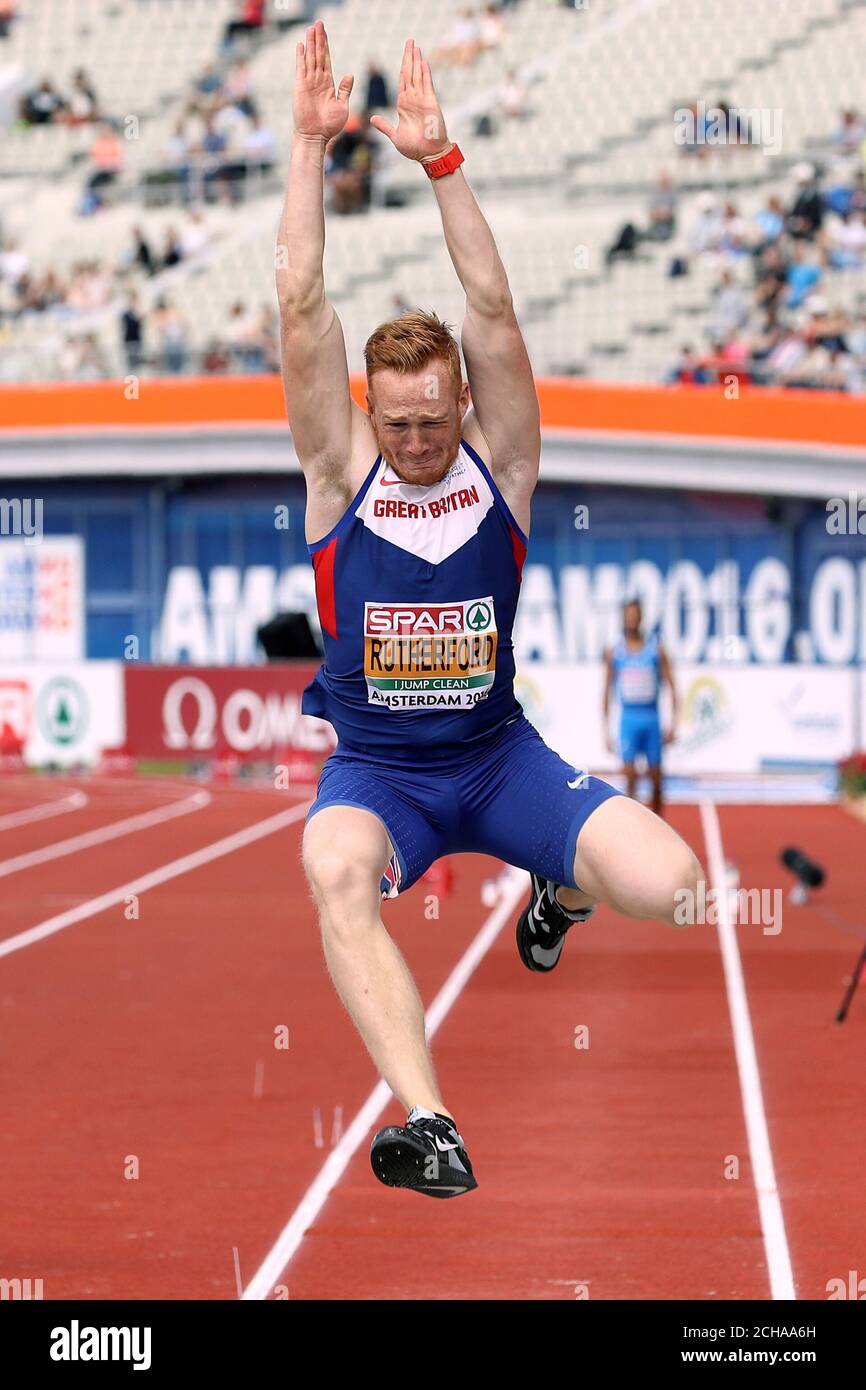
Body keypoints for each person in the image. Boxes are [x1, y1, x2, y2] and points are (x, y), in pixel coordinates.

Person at [279, 22, 702, 1199]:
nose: (414, 442)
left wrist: (443, 167)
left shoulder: (497, 468)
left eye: (432, 417)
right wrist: (310, 150)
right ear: (372, 407)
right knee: (329, 868)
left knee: (673, 889)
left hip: (497, 759)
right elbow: (303, 306)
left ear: (460, 397)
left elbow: (497, 311)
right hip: (378, 771)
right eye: (396, 420)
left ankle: (554, 894)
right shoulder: (337, 474)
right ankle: (430, 1123)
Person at [603, 600, 677, 817]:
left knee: (656, 779)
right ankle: (634, 827)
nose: (631, 620)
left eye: (635, 615)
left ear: (641, 618)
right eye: (628, 616)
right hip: (629, 720)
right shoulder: (615, 652)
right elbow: (606, 691)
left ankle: (659, 822)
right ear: (624, 619)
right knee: (630, 778)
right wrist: (605, 731)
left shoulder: (655, 649)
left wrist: (673, 723)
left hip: (651, 719)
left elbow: (672, 686)